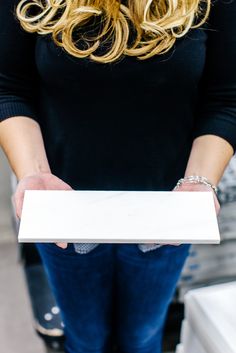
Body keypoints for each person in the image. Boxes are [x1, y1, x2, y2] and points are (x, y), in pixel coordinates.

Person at [0, 0, 235, 352]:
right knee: (85, 337)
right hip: (64, 206)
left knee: (142, 337)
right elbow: (9, 86)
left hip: (166, 211)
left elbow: (226, 97)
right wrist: (33, 174)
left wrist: (199, 182)